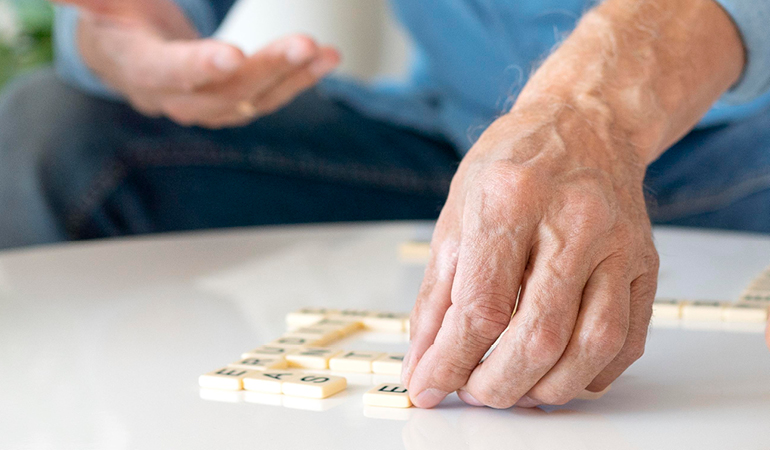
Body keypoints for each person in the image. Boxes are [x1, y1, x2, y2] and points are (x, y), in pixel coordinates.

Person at [0, 0, 769, 407]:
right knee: (60, 134)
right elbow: (134, 15)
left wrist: (586, 114)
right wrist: (132, 39)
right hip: (453, 139)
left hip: (748, 148)